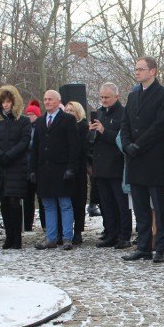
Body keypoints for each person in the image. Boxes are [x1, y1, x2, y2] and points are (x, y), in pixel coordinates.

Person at [120, 56, 164, 263]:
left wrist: (139, 145)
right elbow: (125, 124)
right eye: (136, 69)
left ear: (153, 71)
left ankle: (160, 246)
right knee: (141, 207)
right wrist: (126, 145)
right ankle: (143, 246)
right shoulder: (133, 96)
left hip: (153, 157)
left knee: (159, 207)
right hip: (134, 159)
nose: (137, 72)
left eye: (141, 69)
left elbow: (160, 126)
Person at [31, 90, 80, 250]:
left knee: (65, 204)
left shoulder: (67, 120)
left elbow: (74, 146)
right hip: (44, 170)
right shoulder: (40, 122)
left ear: (58, 101)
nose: (47, 102)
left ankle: (67, 237)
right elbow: (35, 148)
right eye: (45, 99)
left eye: (50, 99)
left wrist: (71, 168)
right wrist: (32, 169)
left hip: (62, 169)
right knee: (48, 205)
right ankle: (50, 237)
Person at [0, 85, 31, 250]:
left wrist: (10, 155)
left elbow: (24, 142)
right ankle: (8, 238)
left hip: (16, 166)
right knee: (3, 201)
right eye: (3, 101)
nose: (5, 105)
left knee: (14, 202)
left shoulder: (23, 121)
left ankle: (16, 237)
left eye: (8, 101)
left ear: (14, 102)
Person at [90, 82, 132, 249]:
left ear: (116, 96)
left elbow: (122, 138)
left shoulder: (123, 113)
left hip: (116, 166)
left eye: (107, 97)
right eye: (101, 97)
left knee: (120, 204)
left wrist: (103, 131)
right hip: (100, 166)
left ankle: (124, 235)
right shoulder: (99, 113)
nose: (103, 100)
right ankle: (110, 233)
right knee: (106, 204)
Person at [64, 101, 90, 245]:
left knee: (79, 201)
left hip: (79, 169)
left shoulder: (83, 127)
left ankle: (78, 231)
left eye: (72, 111)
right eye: (66, 110)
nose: (68, 113)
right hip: (65, 167)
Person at [23, 101, 42, 231]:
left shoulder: (40, 128)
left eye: (32, 114)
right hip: (25, 166)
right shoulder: (24, 127)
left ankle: (45, 224)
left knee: (42, 198)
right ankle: (27, 224)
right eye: (27, 114)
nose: (29, 116)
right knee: (27, 198)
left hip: (38, 166)